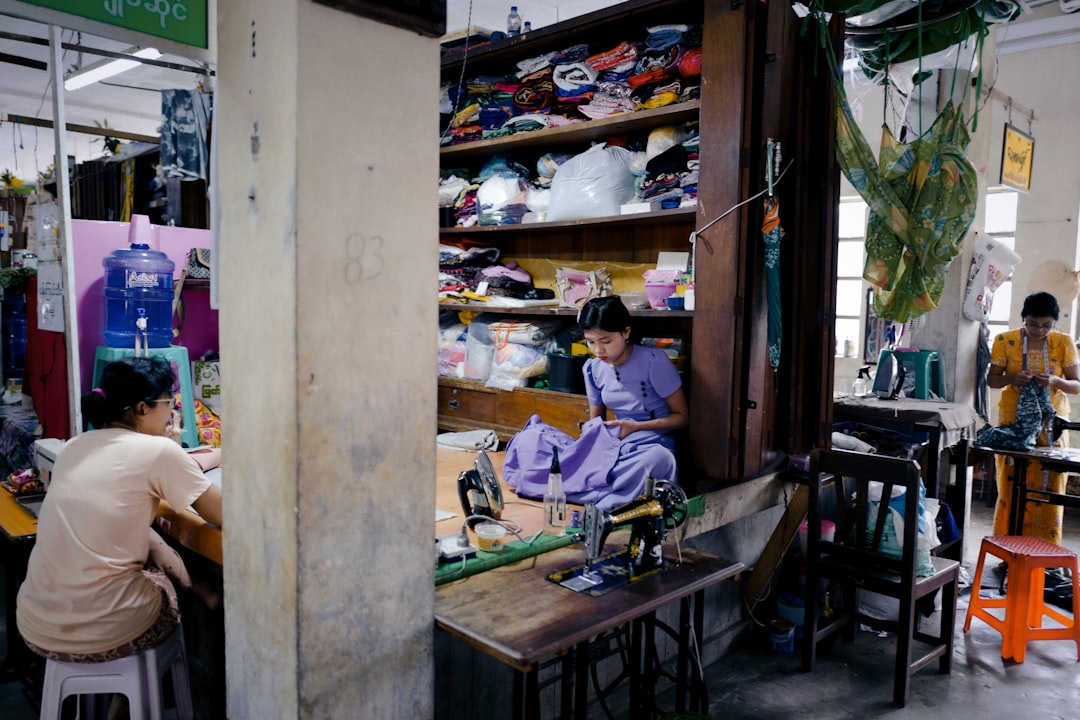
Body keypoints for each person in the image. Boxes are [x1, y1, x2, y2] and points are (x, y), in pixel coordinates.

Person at [17, 357, 223, 663]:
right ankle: (132, 699)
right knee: (164, 582)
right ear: (142, 408)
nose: (173, 411)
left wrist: (218, 453)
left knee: (145, 534)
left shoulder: (76, 445)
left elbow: (172, 465)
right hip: (103, 635)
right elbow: (224, 515)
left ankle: (202, 591)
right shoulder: (158, 452)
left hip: (36, 627)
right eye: (170, 402)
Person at [503, 295, 688, 510]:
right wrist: (586, 448)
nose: (599, 350)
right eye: (591, 342)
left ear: (626, 333)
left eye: (606, 341)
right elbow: (595, 423)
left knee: (659, 460)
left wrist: (635, 427)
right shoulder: (593, 369)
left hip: (647, 445)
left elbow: (681, 418)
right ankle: (596, 487)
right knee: (531, 438)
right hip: (614, 443)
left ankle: (591, 490)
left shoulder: (653, 362)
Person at [987, 291, 1080, 543]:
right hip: (1013, 425)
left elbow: (1076, 385)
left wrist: (1055, 381)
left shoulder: (1064, 342)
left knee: (1050, 485)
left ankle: (1045, 550)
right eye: (1033, 324)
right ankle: (1008, 547)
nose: (1039, 330)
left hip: (1052, 425)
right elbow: (992, 380)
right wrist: (1010, 378)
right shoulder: (1005, 340)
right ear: (1023, 319)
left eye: (1046, 325)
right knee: (1010, 485)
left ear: (1054, 323)